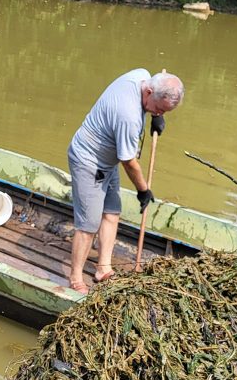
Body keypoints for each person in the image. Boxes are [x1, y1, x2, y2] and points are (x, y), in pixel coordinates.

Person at [67, 68, 185, 293]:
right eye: (160, 109)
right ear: (149, 92)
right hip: (89, 161)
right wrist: (143, 190)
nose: (160, 113)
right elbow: (129, 162)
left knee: (112, 212)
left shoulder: (142, 75)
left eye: (164, 111)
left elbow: (156, 94)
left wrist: (156, 116)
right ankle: (75, 278)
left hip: (107, 159)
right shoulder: (128, 117)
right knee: (88, 225)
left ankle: (103, 269)